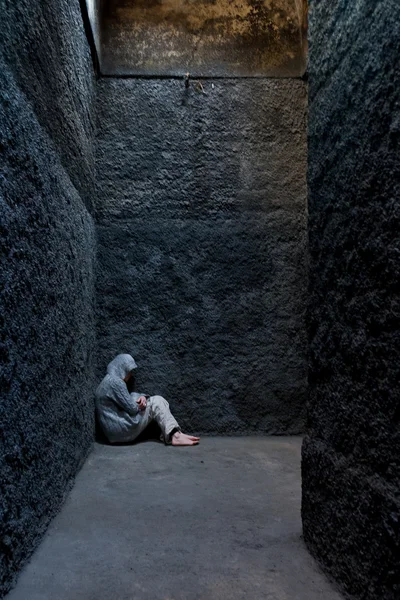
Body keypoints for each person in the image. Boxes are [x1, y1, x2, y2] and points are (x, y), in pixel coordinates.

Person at [95, 354, 200, 446]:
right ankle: (175, 435)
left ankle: (175, 434)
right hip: (121, 430)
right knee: (157, 401)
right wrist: (142, 403)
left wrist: (142, 397)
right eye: (129, 371)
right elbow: (132, 409)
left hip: (113, 431)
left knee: (153, 400)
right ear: (122, 368)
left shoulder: (108, 381)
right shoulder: (116, 382)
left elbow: (126, 398)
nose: (130, 375)